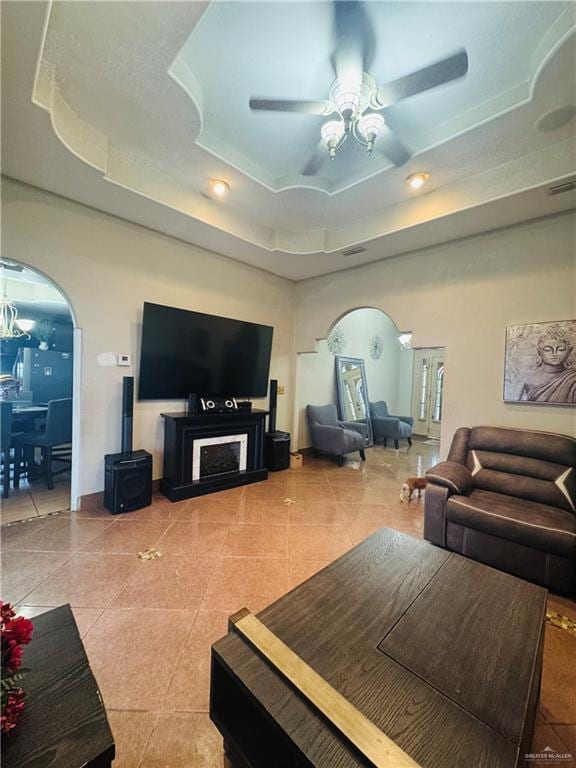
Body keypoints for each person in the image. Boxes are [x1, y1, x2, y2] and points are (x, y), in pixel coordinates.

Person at [519, 327, 576, 403]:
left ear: (570, 350)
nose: (554, 353)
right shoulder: (527, 378)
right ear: (539, 351)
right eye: (548, 349)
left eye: (560, 349)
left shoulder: (573, 379)